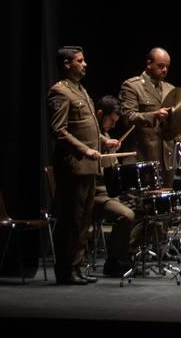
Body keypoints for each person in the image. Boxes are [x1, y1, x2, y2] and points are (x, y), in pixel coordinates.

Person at [48, 46, 118, 285]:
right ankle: (66, 270)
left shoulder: (80, 90)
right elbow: (59, 131)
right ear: (67, 64)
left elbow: (89, 129)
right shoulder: (60, 92)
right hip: (74, 166)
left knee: (84, 220)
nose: (85, 64)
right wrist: (84, 149)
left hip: (89, 167)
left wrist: (103, 141)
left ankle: (76, 267)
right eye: (80, 60)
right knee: (72, 220)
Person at [92, 96, 139, 278]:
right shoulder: (94, 138)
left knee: (146, 208)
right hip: (97, 194)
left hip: (110, 192)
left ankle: (129, 255)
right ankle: (115, 262)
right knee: (126, 215)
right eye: (111, 121)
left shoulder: (107, 137)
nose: (112, 126)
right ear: (100, 114)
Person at [118, 48, 178, 183]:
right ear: (149, 63)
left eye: (167, 67)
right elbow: (127, 117)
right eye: (160, 66)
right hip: (143, 156)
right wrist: (154, 115)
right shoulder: (132, 86)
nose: (164, 70)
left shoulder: (171, 89)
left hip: (167, 158)